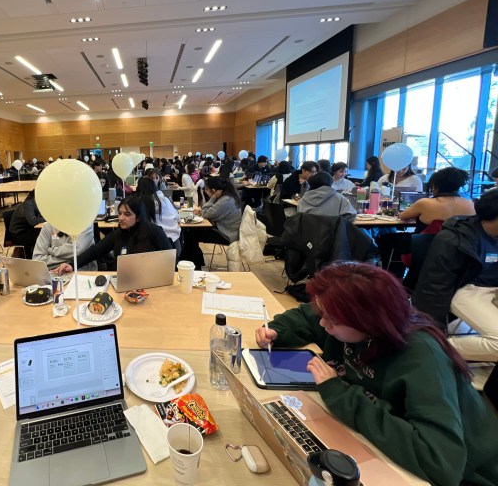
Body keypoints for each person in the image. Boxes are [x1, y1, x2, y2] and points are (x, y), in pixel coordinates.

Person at [255, 262, 498, 486]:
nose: (323, 325)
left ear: (368, 322)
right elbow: (307, 316)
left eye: (331, 320)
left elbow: (441, 463)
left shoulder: (421, 357)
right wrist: (278, 331)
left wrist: (341, 394)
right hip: (381, 447)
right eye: (323, 315)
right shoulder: (346, 322)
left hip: (468, 474)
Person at [413, 190, 498, 362]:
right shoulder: (454, 239)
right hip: (466, 289)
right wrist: (431, 330)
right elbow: (433, 286)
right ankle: (435, 347)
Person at [55, 195, 172, 273]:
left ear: (138, 217)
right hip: (122, 280)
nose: (121, 218)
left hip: (151, 281)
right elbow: (96, 250)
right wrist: (72, 264)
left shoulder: (154, 232)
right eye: (120, 213)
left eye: (127, 214)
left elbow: (169, 259)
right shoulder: (119, 234)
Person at [181, 176, 243, 269]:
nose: (205, 191)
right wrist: (203, 211)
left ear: (214, 190)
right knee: (190, 231)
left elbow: (206, 214)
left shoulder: (226, 200)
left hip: (227, 235)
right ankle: (193, 262)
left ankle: (195, 265)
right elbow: (209, 211)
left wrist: (213, 198)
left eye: (206, 189)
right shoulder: (228, 196)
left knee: (192, 233)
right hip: (224, 229)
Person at [136, 169, 181, 255]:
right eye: (152, 178)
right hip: (174, 244)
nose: (155, 180)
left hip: (153, 247)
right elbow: (178, 217)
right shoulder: (164, 199)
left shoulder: (140, 204)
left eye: (157, 178)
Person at [33, 223, 97, 271]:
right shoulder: (48, 226)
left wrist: (51, 250)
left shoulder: (85, 224)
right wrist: (73, 257)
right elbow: (37, 260)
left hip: (83, 272)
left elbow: (77, 250)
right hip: (55, 273)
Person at [8, 190, 45, 258]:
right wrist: (48, 219)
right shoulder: (28, 204)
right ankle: (36, 259)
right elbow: (33, 221)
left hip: (26, 230)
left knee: (46, 234)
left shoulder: (33, 202)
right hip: (18, 235)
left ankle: (37, 258)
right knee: (43, 238)